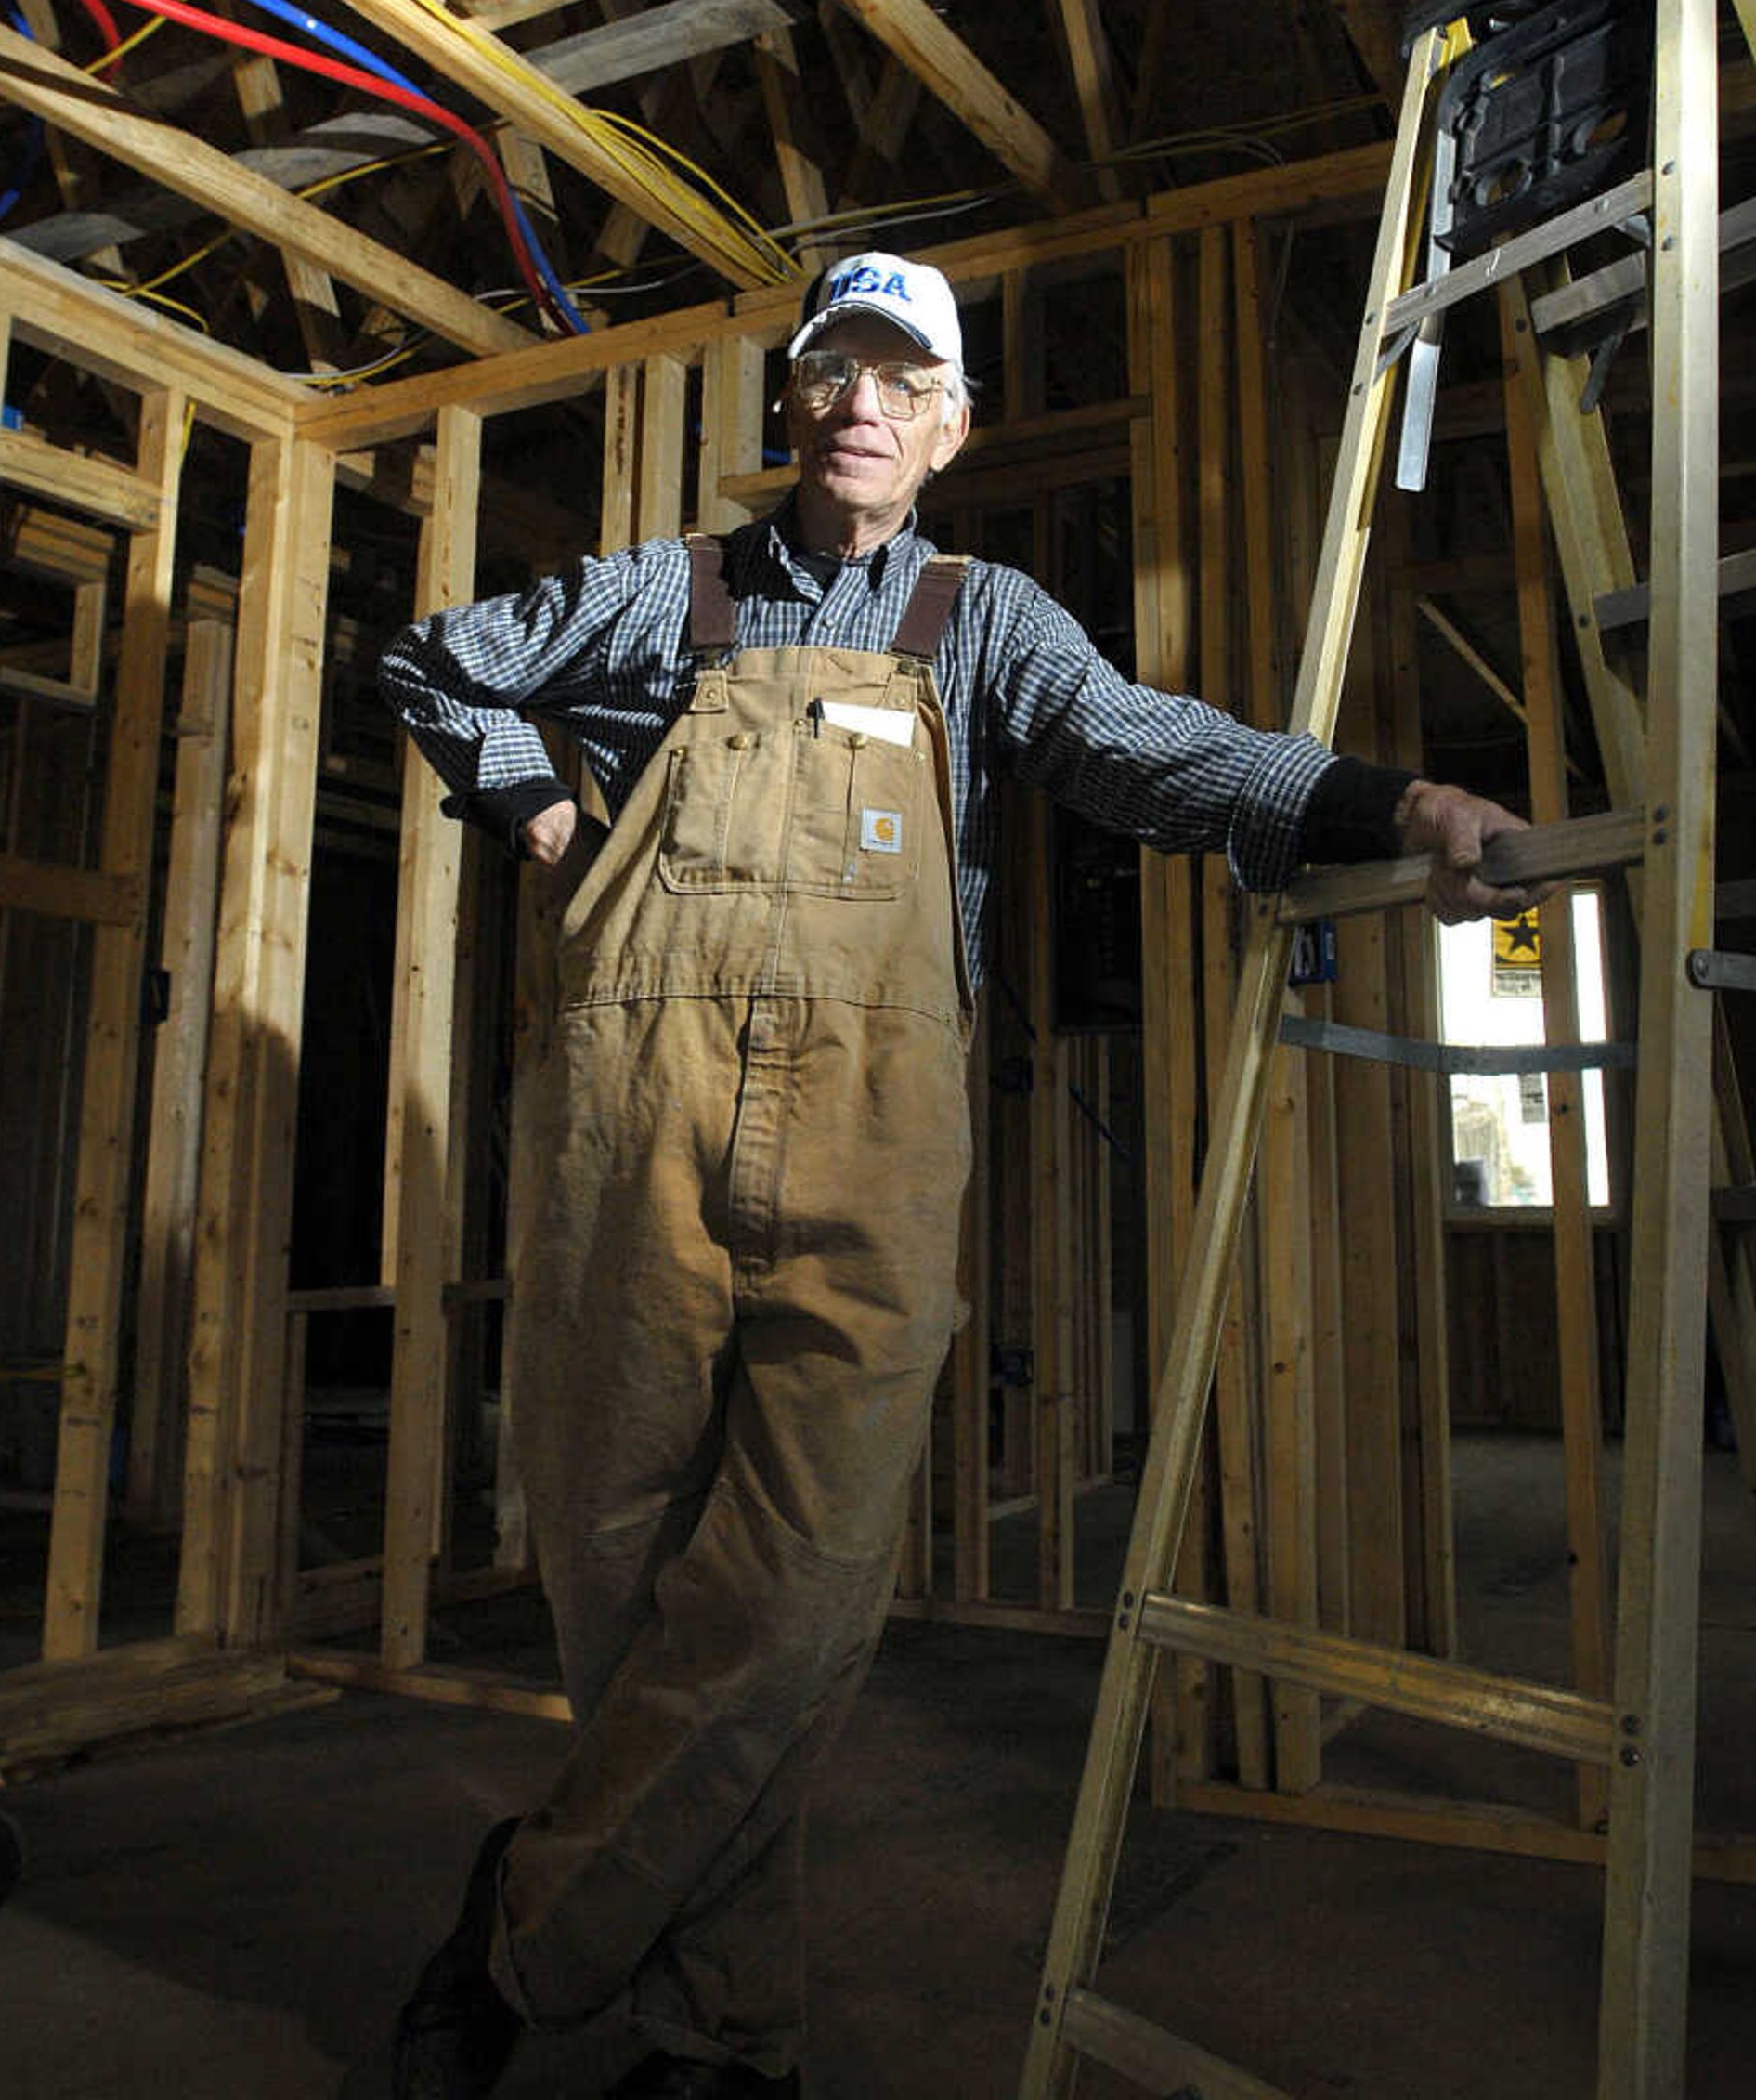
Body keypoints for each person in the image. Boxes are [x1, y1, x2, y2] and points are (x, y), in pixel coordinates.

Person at [378, 251, 1537, 2100]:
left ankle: (522, 1927)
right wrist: (528, 795)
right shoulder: (663, 592)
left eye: (904, 379)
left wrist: (1391, 801)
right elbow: (431, 657)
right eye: (836, 367)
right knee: (620, 1579)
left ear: (950, 424)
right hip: (634, 1130)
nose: (863, 402)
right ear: (795, 401)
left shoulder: (979, 618)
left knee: (795, 1603)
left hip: (874, 1143)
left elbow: (1149, 748)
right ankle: (724, 2034)